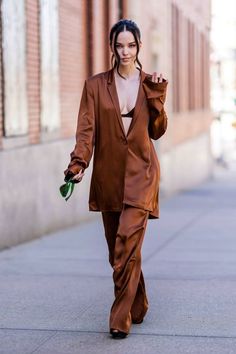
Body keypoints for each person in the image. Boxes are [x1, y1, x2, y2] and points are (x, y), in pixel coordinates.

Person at [64, 19, 168, 339]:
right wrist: (77, 164)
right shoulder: (95, 86)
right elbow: (87, 130)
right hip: (108, 176)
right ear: (112, 47)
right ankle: (139, 303)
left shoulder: (150, 82)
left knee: (126, 242)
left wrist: (157, 96)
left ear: (138, 47)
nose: (125, 51)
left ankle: (118, 319)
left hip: (142, 174)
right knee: (118, 251)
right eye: (119, 45)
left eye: (131, 45)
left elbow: (157, 131)